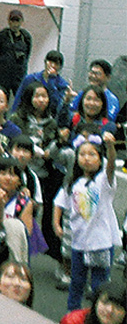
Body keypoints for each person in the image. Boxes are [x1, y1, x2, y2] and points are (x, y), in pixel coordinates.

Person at [54, 131, 118, 313]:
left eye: (92, 154)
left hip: (100, 243)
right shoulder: (73, 182)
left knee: (99, 285)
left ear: (100, 159)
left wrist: (110, 147)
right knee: (77, 282)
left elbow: (111, 166)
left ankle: (97, 316)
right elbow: (60, 202)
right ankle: (72, 314)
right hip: (78, 242)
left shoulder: (103, 181)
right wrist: (56, 224)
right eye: (82, 154)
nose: (86, 158)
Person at [60, 278, 127, 324]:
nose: (110, 310)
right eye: (105, 302)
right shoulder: (73, 322)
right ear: (95, 303)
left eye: (118, 306)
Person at [0, 9, 31, 94]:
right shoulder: (1, 36)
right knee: (2, 96)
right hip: (3, 75)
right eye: (13, 20)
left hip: (19, 75)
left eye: (17, 20)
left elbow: (28, 54)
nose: (15, 24)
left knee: (20, 97)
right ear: (8, 21)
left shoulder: (26, 37)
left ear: (22, 21)